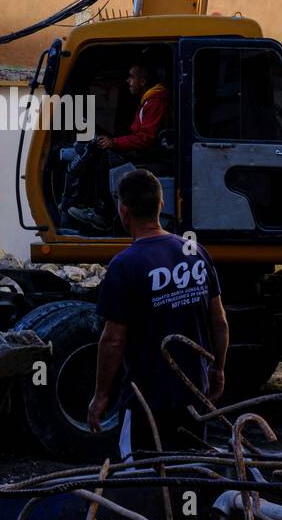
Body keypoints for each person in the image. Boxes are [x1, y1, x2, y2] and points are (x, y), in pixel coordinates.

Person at [87, 169, 229, 456]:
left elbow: (113, 340)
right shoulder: (195, 251)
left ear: (123, 211)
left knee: (142, 481)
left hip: (146, 403)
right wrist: (218, 368)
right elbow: (219, 320)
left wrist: (101, 396)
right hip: (193, 394)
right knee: (188, 472)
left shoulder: (124, 265)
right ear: (161, 206)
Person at [66, 60, 171, 232]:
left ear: (143, 81)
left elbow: (145, 139)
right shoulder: (148, 100)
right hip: (148, 151)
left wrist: (113, 143)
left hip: (153, 155)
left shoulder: (155, 101)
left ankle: (103, 213)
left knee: (106, 157)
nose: (128, 81)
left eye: (131, 77)